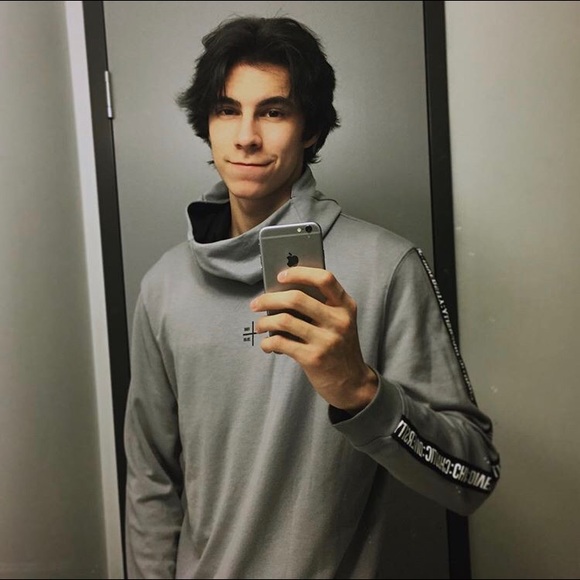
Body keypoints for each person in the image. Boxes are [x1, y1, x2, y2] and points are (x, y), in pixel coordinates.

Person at [123, 15, 500, 579]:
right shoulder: (164, 286)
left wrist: (359, 391)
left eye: (273, 111)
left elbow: (473, 475)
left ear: (312, 130)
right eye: (227, 110)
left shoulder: (386, 267)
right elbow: (151, 477)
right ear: (207, 123)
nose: (246, 136)